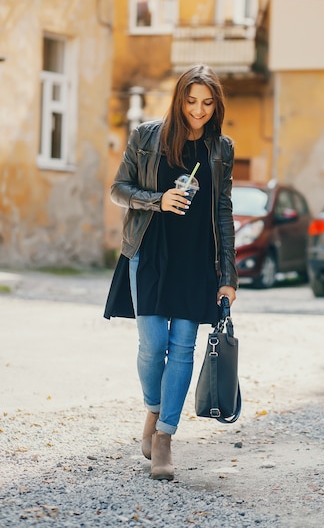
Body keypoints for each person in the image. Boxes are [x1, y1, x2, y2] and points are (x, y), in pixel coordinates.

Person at [104, 64, 238, 480]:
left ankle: (164, 437)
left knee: (182, 347)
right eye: (191, 101)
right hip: (149, 250)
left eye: (207, 103)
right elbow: (118, 189)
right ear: (179, 98)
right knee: (151, 344)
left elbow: (223, 211)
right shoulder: (146, 137)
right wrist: (157, 200)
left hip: (197, 258)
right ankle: (155, 407)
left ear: (216, 105)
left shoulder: (221, 148)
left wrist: (228, 276)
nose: (198, 111)